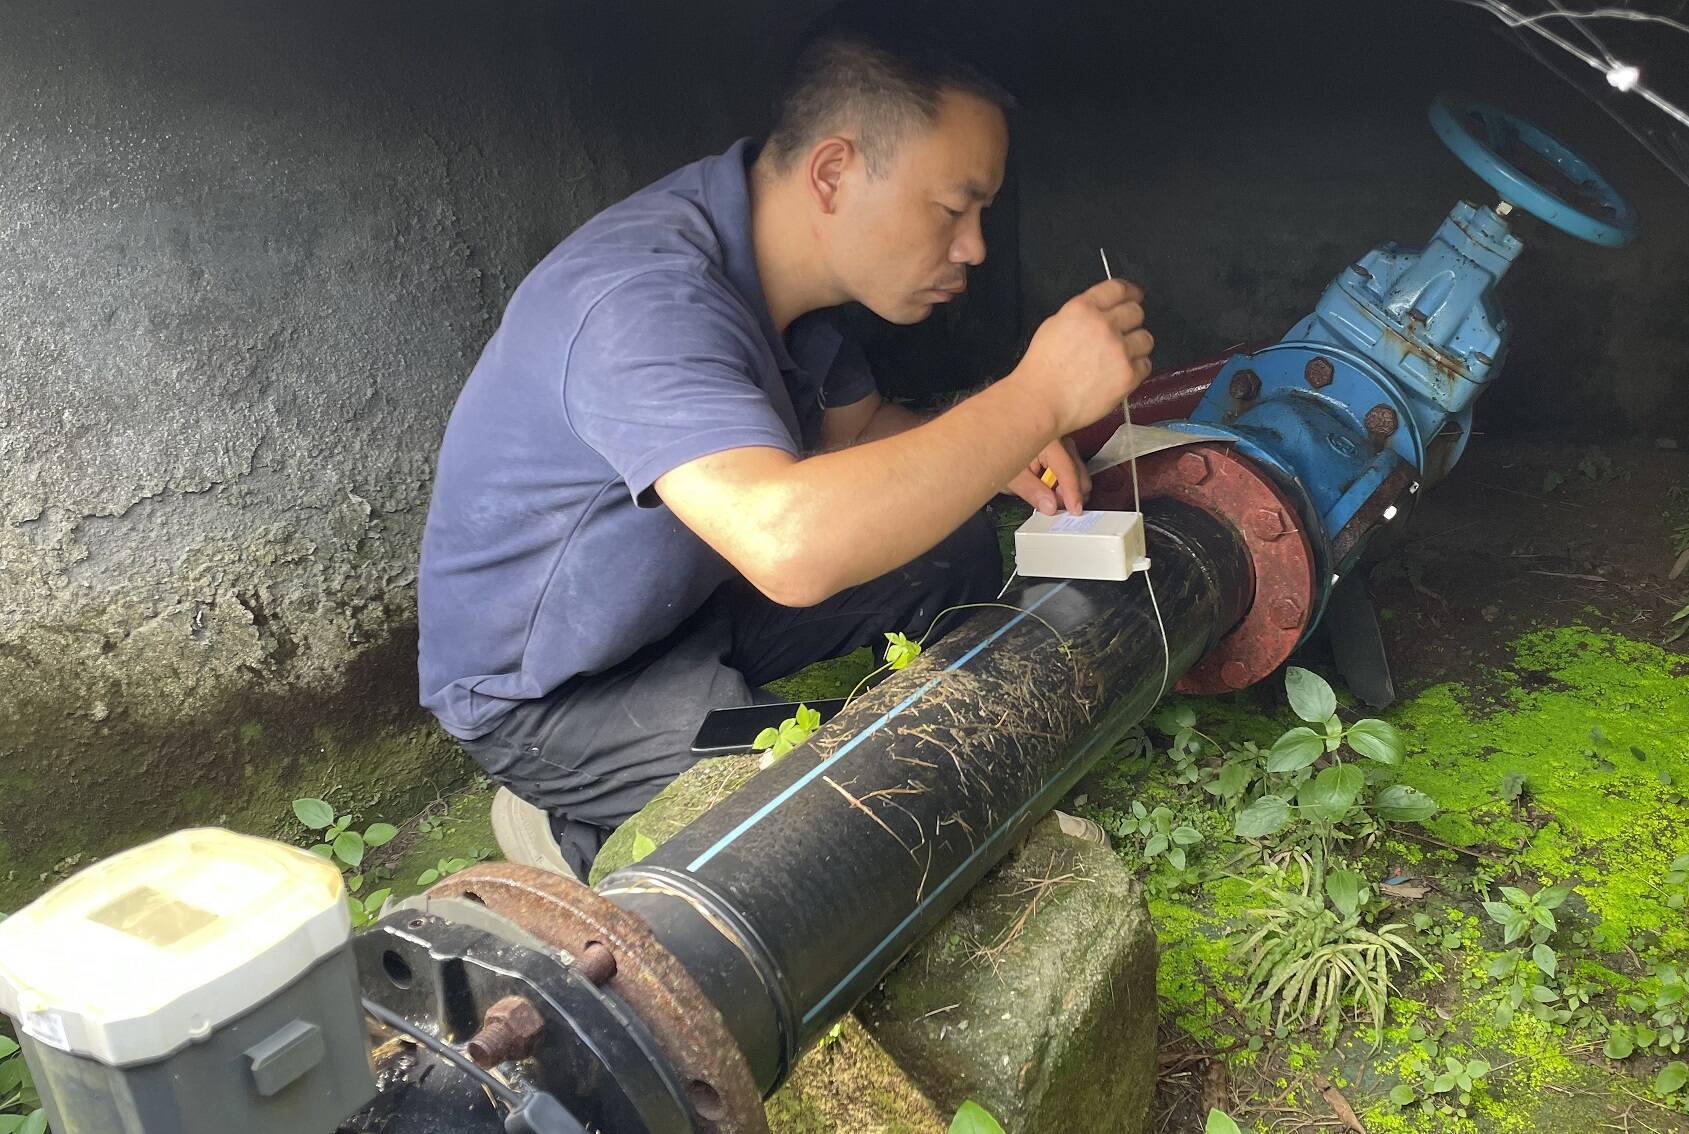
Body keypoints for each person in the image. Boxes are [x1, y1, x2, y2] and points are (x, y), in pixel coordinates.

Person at [415, 26, 1154, 878]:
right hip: (557, 694)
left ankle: (959, 733)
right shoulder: (644, 300)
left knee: (944, 537)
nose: (975, 247)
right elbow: (789, 545)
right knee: (841, 816)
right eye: (955, 208)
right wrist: (1034, 399)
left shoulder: (792, 283)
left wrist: (997, 443)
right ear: (833, 173)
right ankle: (573, 823)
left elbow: (861, 433)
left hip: (695, 596)